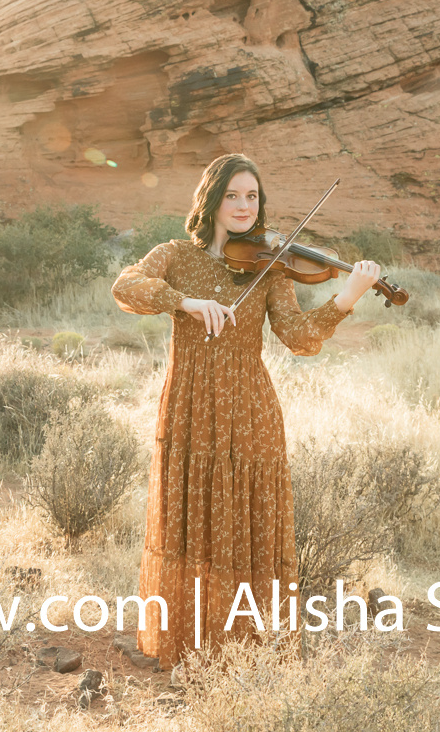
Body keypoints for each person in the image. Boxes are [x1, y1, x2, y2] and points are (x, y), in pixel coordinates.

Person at [111, 154, 381, 669]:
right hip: (189, 407)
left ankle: (244, 655)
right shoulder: (174, 256)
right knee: (189, 524)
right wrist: (183, 303)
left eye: (251, 196)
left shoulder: (272, 267)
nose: (242, 205)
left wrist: (348, 293)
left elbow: (299, 338)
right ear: (211, 201)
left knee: (244, 525)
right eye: (232, 195)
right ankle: (189, 648)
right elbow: (126, 287)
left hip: (249, 409)